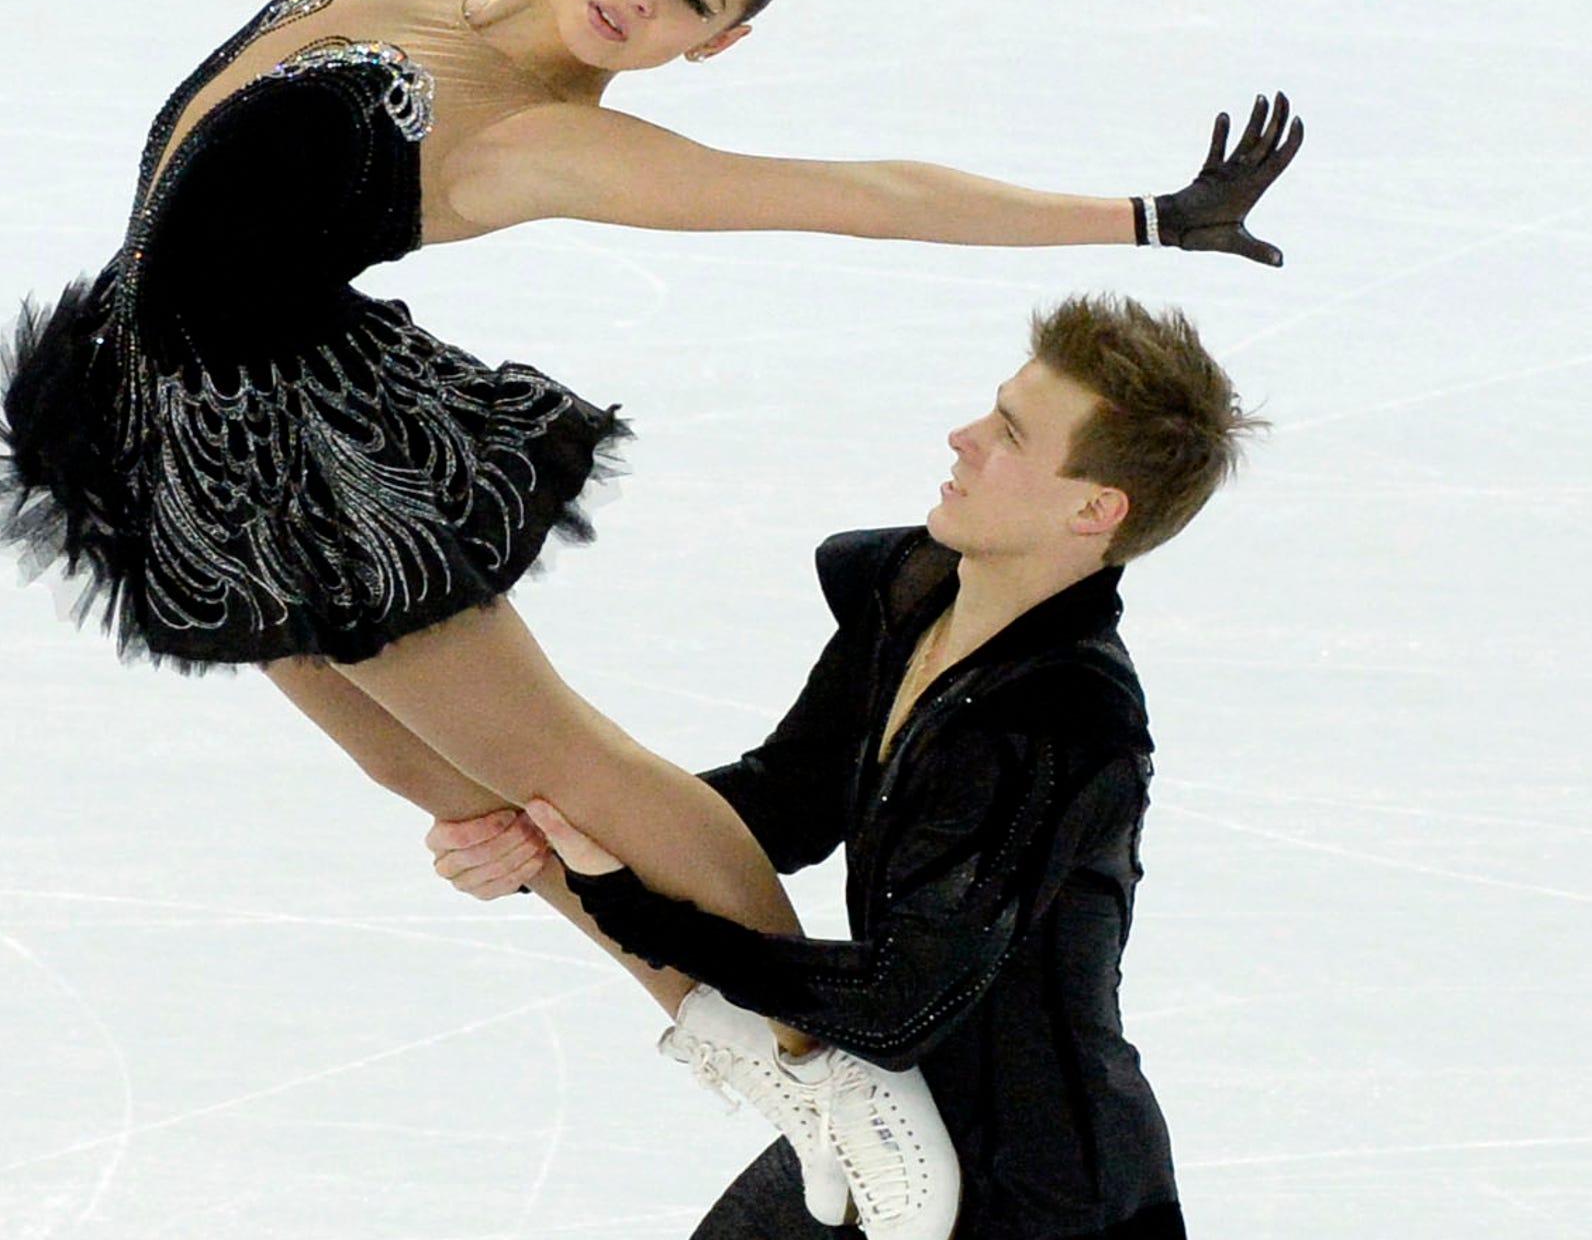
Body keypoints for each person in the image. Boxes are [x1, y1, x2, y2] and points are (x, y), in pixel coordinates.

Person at [0, 0, 1295, 1240]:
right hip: (150, 393)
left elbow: (865, 196)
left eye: (689, 6)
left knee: (560, 764)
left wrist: (1144, 217)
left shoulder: (542, 142)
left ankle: (824, 1073)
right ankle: (740, 1028)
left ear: (707, 48)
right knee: (423, 775)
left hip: (294, 444)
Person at [433, 295, 1255, 1240]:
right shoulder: (916, 593)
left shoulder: (1062, 723)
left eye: (1012, 436)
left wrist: (632, 910)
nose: (964, 437)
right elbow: (785, 803)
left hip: (1035, 1189)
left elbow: (902, 998)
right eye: (993, 408)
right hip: (885, 1117)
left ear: (1094, 507)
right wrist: (551, 836)